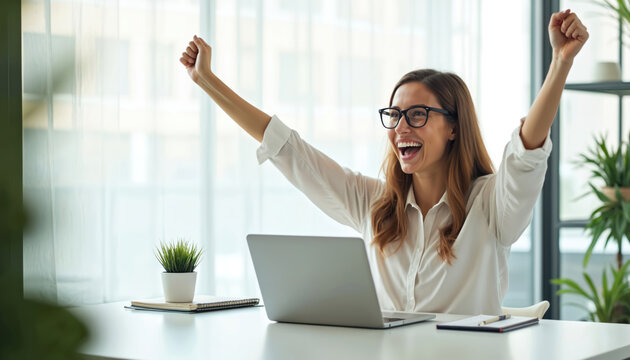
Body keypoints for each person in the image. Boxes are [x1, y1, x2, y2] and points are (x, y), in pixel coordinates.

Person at [179, 10, 588, 315]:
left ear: (453, 128)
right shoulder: (373, 203)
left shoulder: (492, 207)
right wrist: (206, 81)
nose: (400, 128)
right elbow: (289, 150)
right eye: (394, 116)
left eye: (417, 115)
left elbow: (526, 155)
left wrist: (560, 63)